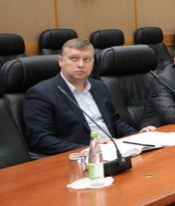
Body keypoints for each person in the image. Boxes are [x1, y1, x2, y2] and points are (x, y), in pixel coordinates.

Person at [24, 38, 154, 156]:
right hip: (80, 158)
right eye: (74, 58)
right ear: (60, 61)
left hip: (114, 151)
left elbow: (114, 121)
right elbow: (41, 140)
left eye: (87, 59)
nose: (81, 64)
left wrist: (136, 136)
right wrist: (89, 148)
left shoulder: (99, 87)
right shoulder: (41, 93)